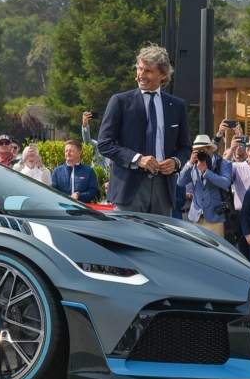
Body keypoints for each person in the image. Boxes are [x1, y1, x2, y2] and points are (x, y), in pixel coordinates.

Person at [97, 45, 191, 215]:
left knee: (161, 241)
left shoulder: (177, 106)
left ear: (163, 75)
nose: (141, 75)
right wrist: (137, 159)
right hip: (128, 188)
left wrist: (175, 162)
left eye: (148, 71)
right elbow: (104, 144)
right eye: (140, 69)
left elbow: (185, 147)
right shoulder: (120, 101)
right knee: (127, 241)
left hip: (164, 189)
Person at [177, 135, 233, 238]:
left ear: (210, 149)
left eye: (202, 150)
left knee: (216, 252)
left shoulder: (223, 164)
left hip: (215, 218)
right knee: (197, 252)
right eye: (196, 151)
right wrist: (189, 163)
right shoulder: (193, 165)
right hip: (196, 218)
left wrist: (205, 171)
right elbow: (180, 182)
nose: (200, 154)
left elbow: (225, 183)